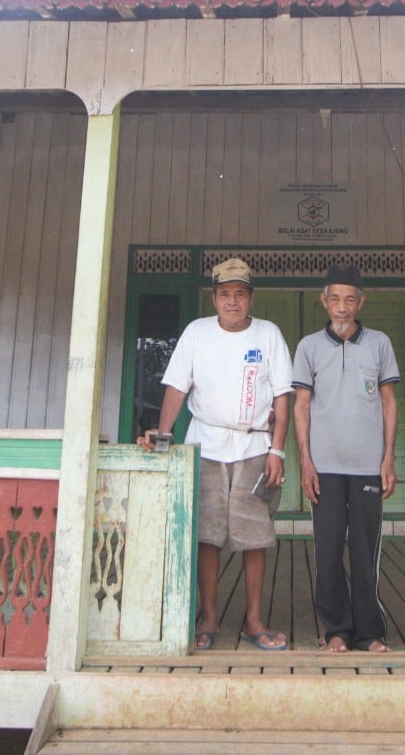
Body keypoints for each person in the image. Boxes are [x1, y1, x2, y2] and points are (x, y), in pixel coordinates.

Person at [139, 257, 292, 651]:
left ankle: (253, 619)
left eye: (240, 294)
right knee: (207, 536)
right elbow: (176, 387)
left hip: (255, 446)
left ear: (251, 298)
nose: (232, 302)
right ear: (214, 298)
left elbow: (282, 395)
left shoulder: (269, 334)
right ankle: (208, 617)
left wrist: (278, 449)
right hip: (205, 445)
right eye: (225, 294)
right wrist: (163, 433)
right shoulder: (197, 333)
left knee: (253, 537)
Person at [293, 263, 399, 653]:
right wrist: (305, 462)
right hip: (325, 468)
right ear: (324, 301)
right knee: (328, 548)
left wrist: (387, 458)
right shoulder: (308, 347)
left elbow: (389, 402)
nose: (342, 306)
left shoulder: (379, 343)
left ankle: (369, 633)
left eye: (349, 299)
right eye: (334, 298)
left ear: (361, 301)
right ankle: (337, 629)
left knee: (364, 550)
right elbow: (301, 407)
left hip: (368, 465)